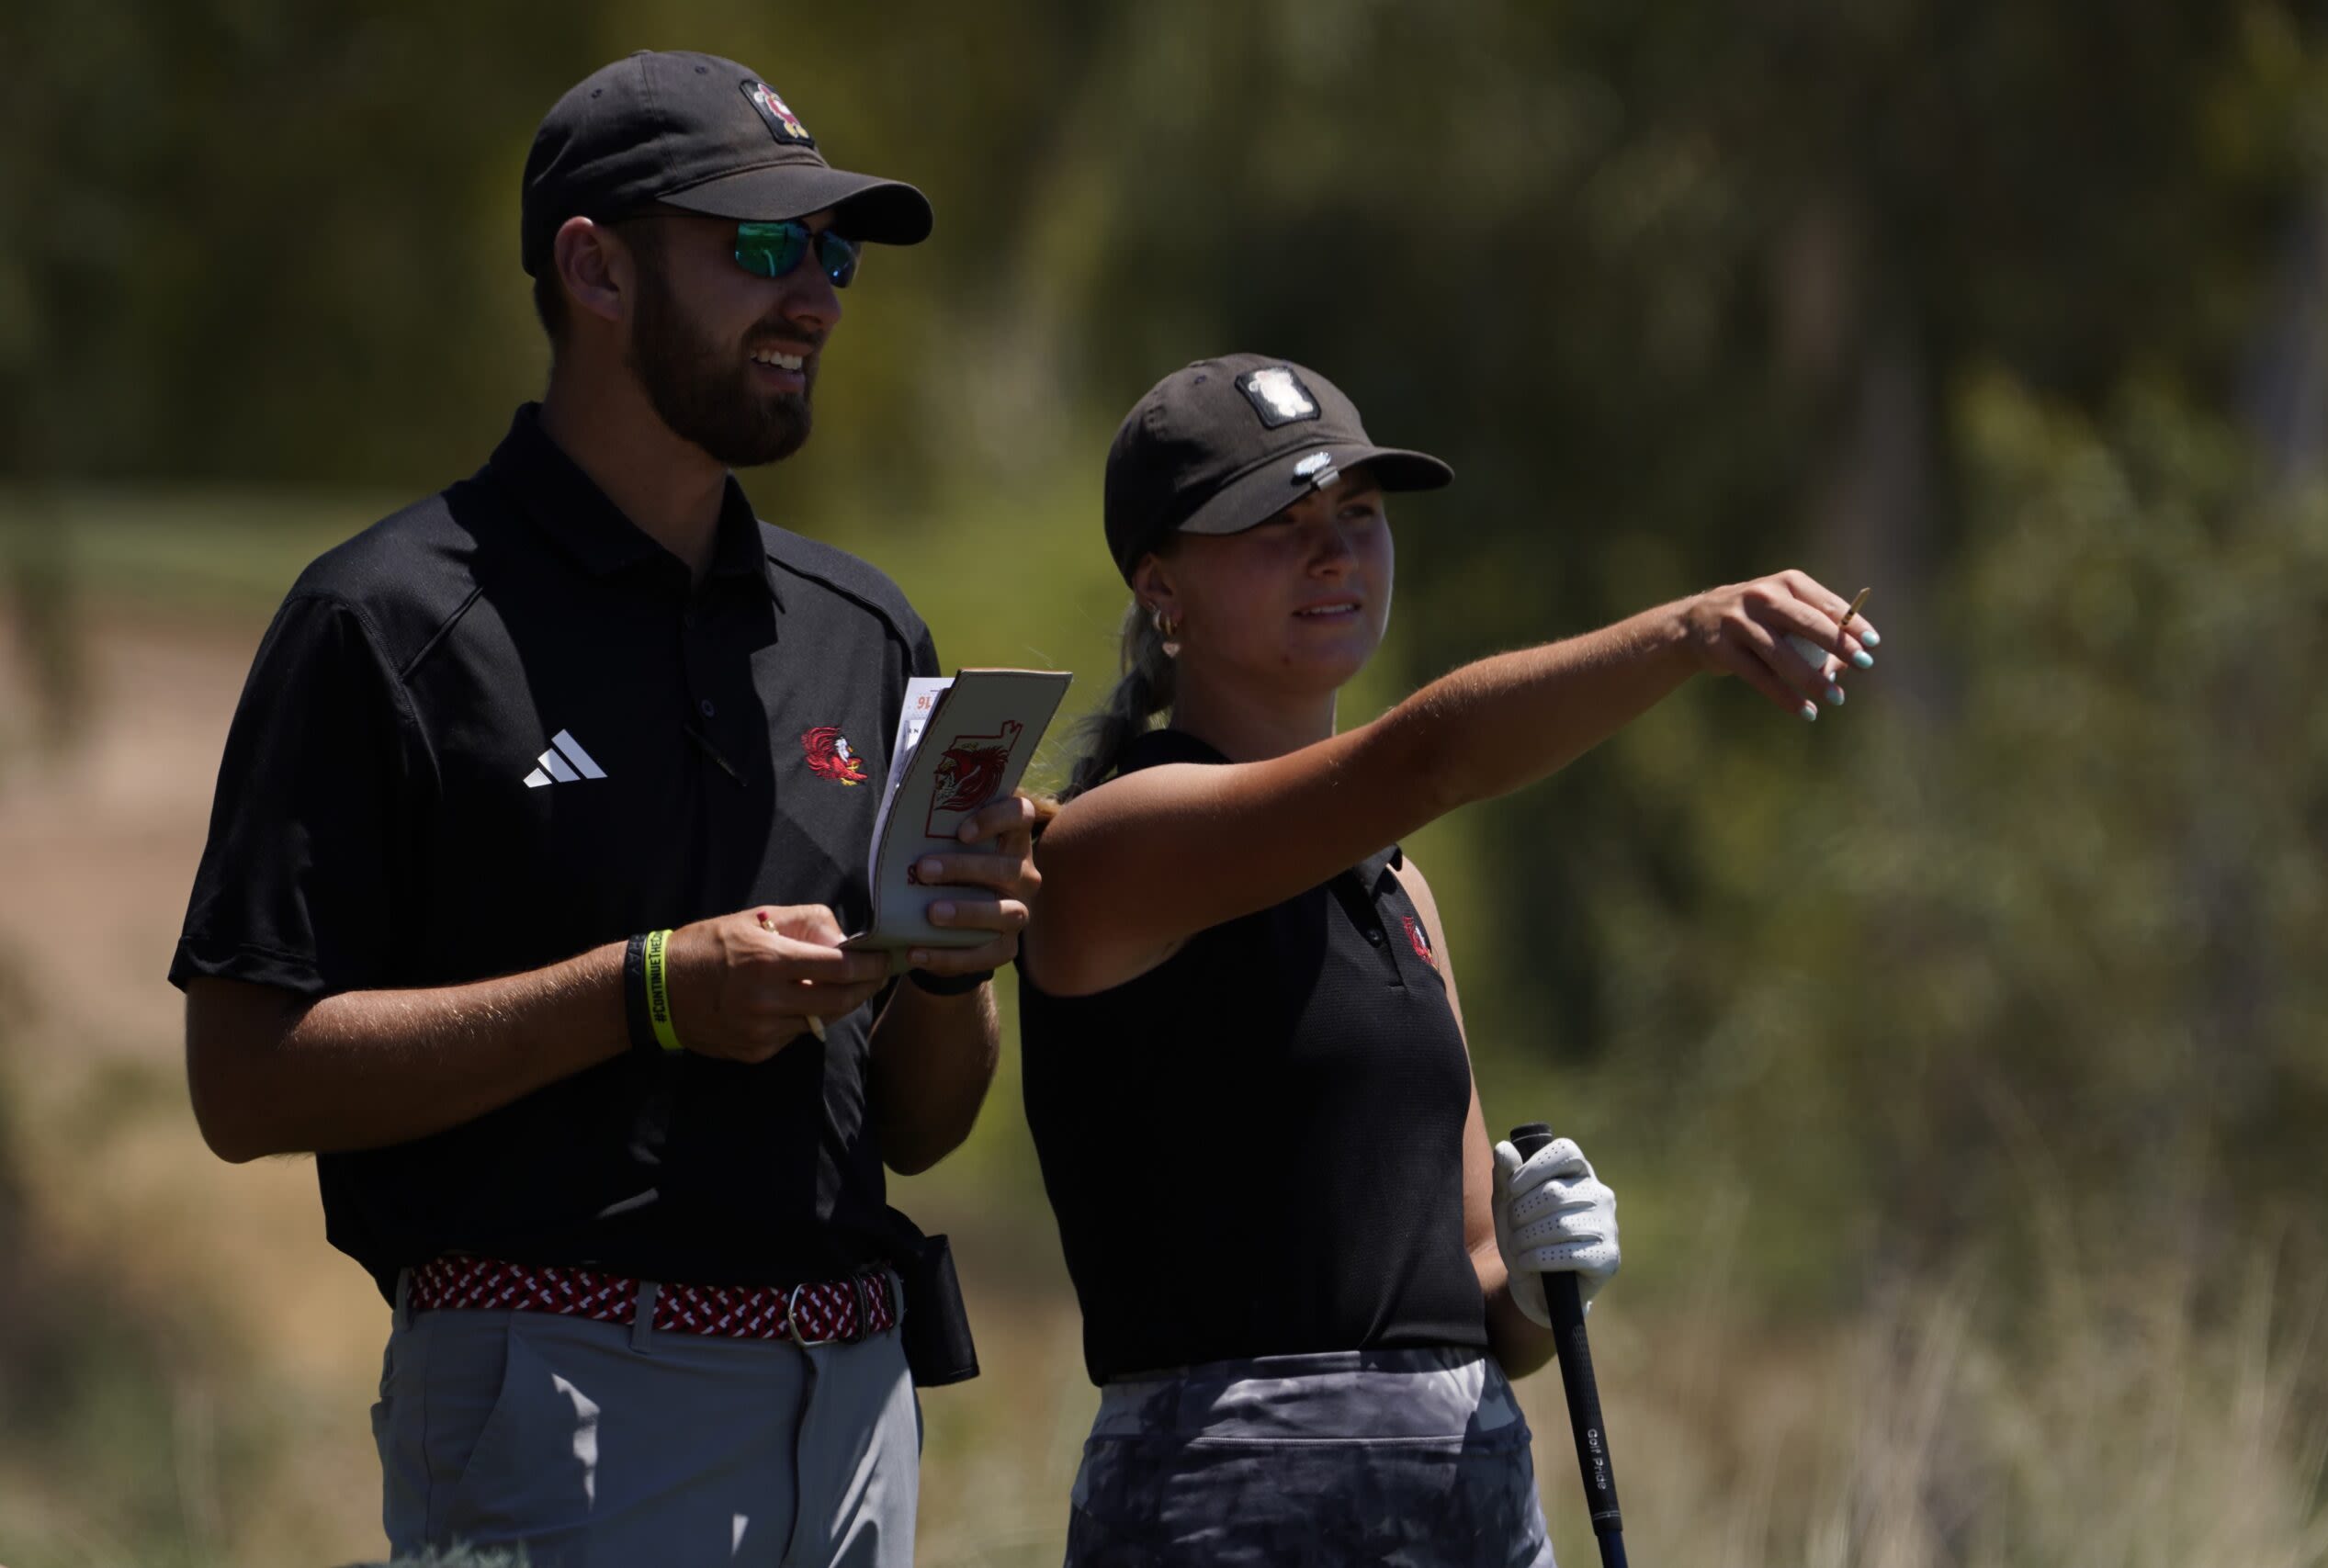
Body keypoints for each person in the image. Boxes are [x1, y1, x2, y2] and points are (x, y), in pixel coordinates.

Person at [170, 51, 1036, 1568]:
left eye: (830, 252)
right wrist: (645, 994)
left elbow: (918, 1122)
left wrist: (957, 966)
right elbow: (245, 1084)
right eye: (760, 246)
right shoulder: (383, 622)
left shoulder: (865, 632)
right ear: (597, 270)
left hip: (854, 1413)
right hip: (558, 1401)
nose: (818, 295)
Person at [1018, 354, 1883, 1566]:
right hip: (1225, 1495)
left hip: (1465, 1492)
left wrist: (1533, 1283)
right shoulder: (1119, 842)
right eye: (1279, 524)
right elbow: (1424, 759)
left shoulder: (1399, 886)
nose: (1333, 553)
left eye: (1357, 519)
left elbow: (1477, 1291)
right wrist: (1685, 632)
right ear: (1162, 587)